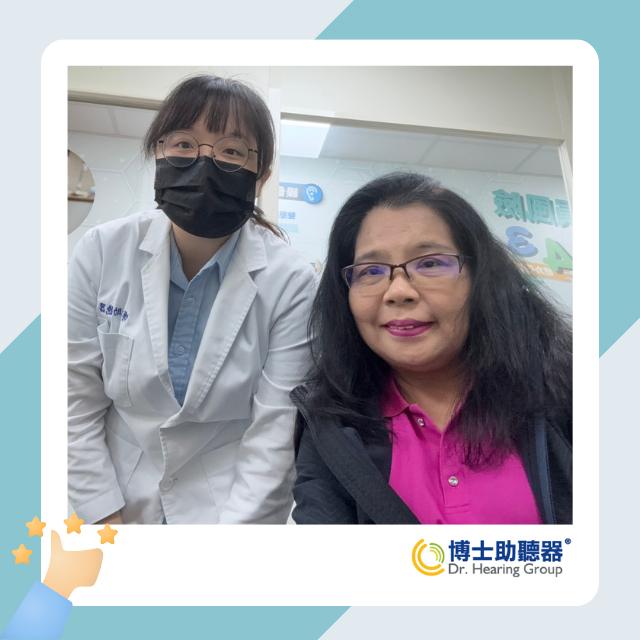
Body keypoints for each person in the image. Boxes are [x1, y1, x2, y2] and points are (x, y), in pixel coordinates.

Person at [68, 75, 315, 524]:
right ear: (158, 155)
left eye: (231, 151)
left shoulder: (291, 282)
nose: (204, 163)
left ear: (260, 178)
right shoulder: (102, 251)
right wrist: (101, 514)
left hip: (226, 504)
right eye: (183, 144)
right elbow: (71, 398)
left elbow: (275, 435)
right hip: (114, 491)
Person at [291, 172, 572, 525]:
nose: (398, 292)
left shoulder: (565, 390)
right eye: (371, 271)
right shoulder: (330, 425)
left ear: (481, 277)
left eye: (430, 264)